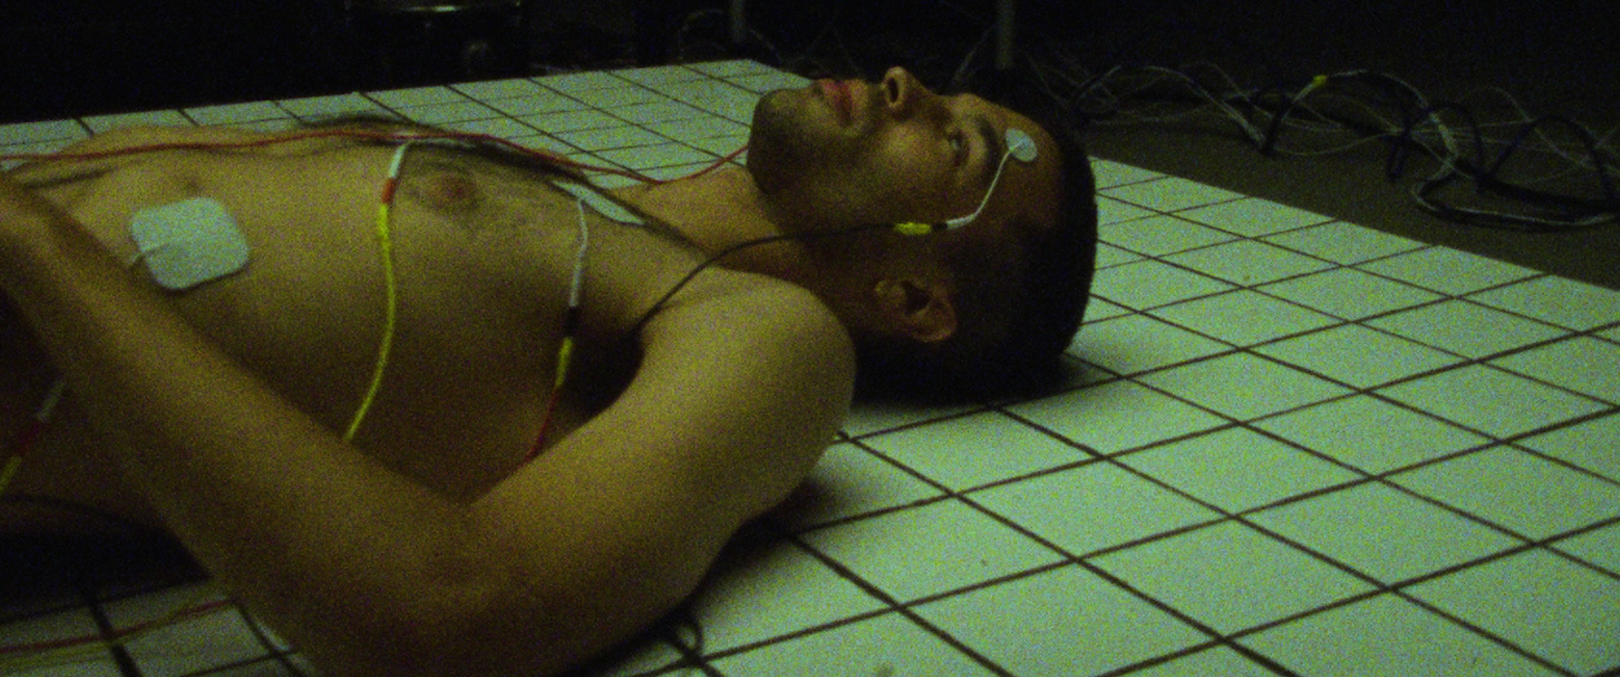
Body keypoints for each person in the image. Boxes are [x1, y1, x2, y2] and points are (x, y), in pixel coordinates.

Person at [0, 66, 1096, 677]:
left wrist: (33, 244)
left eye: (956, 144)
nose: (904, 83)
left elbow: (462, 613)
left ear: (914, 300)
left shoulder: (763, 335)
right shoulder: (575, 196)